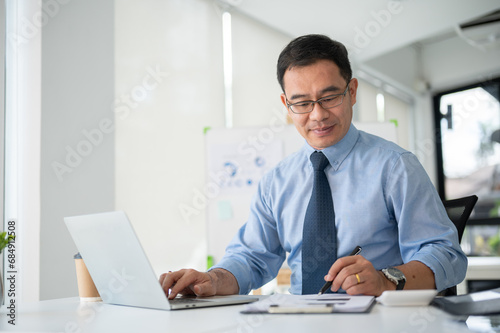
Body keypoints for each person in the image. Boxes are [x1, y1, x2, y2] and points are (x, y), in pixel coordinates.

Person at [160, 34, 467, 298]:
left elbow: (447, 255)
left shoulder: (396, 167)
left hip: (376, 321)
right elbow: (252, 258)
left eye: (330, 97)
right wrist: (211, 281)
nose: (317, 115)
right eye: (302, 103)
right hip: (298, 319)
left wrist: (386, 280)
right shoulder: (276, 182)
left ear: (352, 91)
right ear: (286, 106)